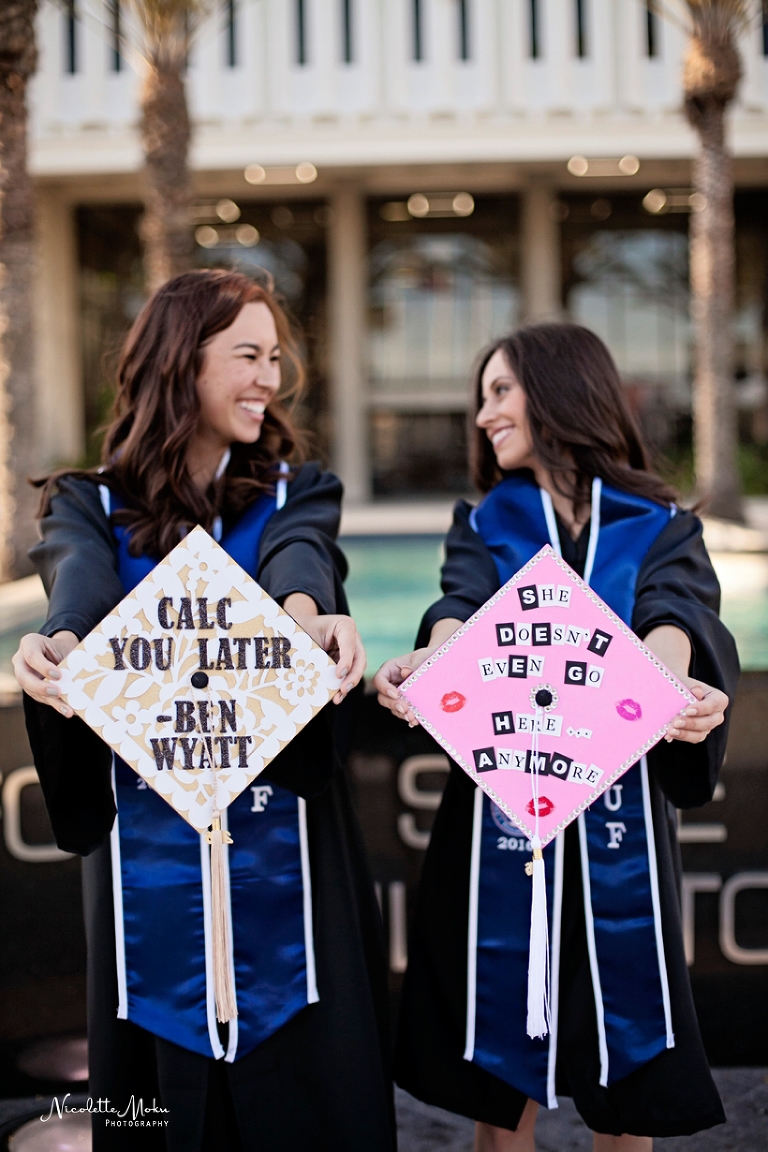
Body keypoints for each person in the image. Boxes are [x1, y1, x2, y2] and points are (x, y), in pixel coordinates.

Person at [14, 270, 395, 1152]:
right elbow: (81, 582)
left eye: (276, 358)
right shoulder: (87, 501)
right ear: (182, 363)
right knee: (158, 1109)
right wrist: (60, 644)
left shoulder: (295, 490)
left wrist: (304, 621)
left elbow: (301, 556)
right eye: (248, 355)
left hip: (286, 844)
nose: (271, 378)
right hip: (148, 856)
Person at [374, 323, 738, 1152]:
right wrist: (432, 661)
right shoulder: (488, 521)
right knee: (501, 1089)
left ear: (560, 391)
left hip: (619, 822)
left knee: (629, 1087)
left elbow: (674, 610)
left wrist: (666, 682)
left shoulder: (659, 524)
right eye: (483, 397)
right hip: (500, 826)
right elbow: (461, 605)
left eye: (500, 391)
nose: (483, 416)